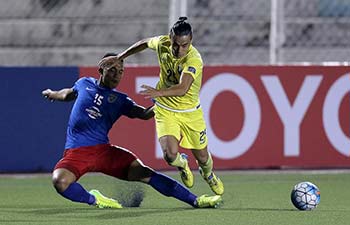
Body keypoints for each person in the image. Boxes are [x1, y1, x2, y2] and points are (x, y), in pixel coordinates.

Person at [41, 53, 222, 209]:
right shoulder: (83, 83)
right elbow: (66, 94)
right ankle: (96, 199)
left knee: (146, 174)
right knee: (60, 181)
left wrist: (160, 103)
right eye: (112, 70)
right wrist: (52, 93)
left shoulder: (121, 100)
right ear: (101, 69)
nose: (117, 75)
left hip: (104, 152)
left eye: (120, 72)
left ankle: (196, 200)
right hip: (77, 152)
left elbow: (143, 114)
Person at [98, 17, 224, 195]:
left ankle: (208, 174)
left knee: (203, 158)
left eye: (185, 45)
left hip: (190, 112)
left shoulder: (194, 60)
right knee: (170, 155)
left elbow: (183, 88)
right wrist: (120, 57)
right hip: (165, 109)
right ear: (170, 38)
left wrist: (159, 93)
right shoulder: (162, 43)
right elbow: (143, 43)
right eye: (176, 45)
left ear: (191, 41)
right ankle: (183, 164)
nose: (179, 50)